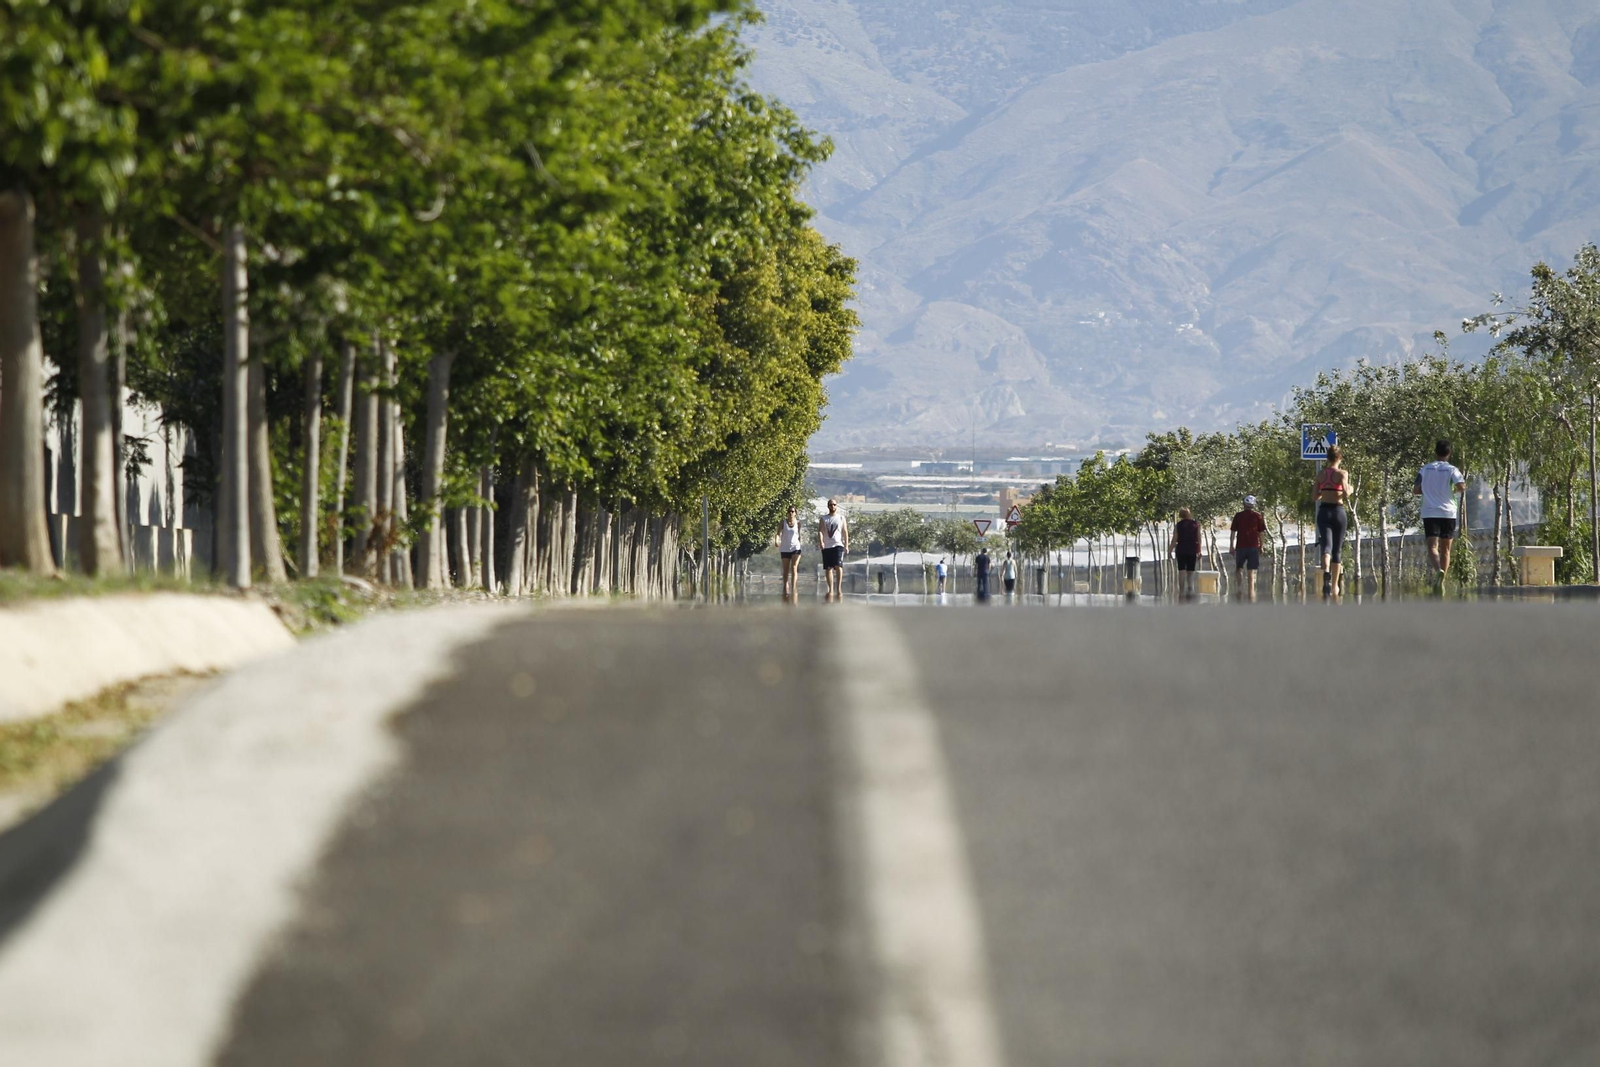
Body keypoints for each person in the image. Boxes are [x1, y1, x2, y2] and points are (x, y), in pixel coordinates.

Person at [1415, 439, 1467, 590]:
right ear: (1449, 453)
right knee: (1446, 549)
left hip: (1430, 511)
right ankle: (1442, 581)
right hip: (1448, 512)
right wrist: (1451, 491)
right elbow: (1462, 487)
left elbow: (1416, 489)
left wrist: (1429, 491)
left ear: (1435, 452)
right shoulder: (1452, 470)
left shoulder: (1425, 469)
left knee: (1432, 546)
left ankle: (1438, 571)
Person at [1314, 444, 1351, 600]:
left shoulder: (1321, 474)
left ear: (1327, 458)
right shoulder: (1342, 473)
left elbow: (1315, 496)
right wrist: (1351, 488)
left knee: (1326, 547)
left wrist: (1326, 492)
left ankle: (1326, 570)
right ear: (1340, 458)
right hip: (1338, 512)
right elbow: (1346, 493)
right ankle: (1335, 585)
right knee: (1337, 549)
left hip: (1323, 511)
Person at [1229, 495, 1269, 602]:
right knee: (1251, 571)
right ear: (1253, 505)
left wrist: (1231, 545)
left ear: (1244, 504)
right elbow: (1261, 533)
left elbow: (1233, 532)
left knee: (1239, 568)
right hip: (1253, 547)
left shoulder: (1238, 516)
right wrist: (1262, 546)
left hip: (1241, 546)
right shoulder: (1258, 516)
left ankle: (1240, 588)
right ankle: (1251, 592)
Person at [817, 498, 849, 599]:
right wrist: (821, 541)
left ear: (837, 506)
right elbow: (821, 531)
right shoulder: (824, 518)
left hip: (838, 545)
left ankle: (839, 588)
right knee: (828, 568)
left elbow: (845, 531)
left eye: (834, 505)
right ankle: (830, 589)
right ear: (828, 506)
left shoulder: (841, 518)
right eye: (831, 505)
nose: (833, 507)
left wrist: (846, 545)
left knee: (838, 566)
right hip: (827, 546)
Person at [1171, 507, 1201, 600]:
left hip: (1181, 549)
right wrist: (1199, 550)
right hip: (1192, 549)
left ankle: (1181, 590)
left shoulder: (1178, 525)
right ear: (1189, 514)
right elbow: (1199, 538)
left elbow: (1174, 539)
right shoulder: (1196, 524)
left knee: (1181, 570)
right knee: (1190, 571)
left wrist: (1169, 550)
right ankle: (1190, 587)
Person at [775, 506, 803, 598]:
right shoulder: (783, 523)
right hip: (785, 548)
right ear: (787, 513)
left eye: (792, 511)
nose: (790, 513)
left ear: (795, 513)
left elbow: (799, 535)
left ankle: (794, 586)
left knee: (794, 567)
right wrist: (776, 541)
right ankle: (785, 584)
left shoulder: (798, 523)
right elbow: (778, 533)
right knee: (786, 569)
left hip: (796, 547)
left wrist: (800, 544)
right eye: (789, 511)